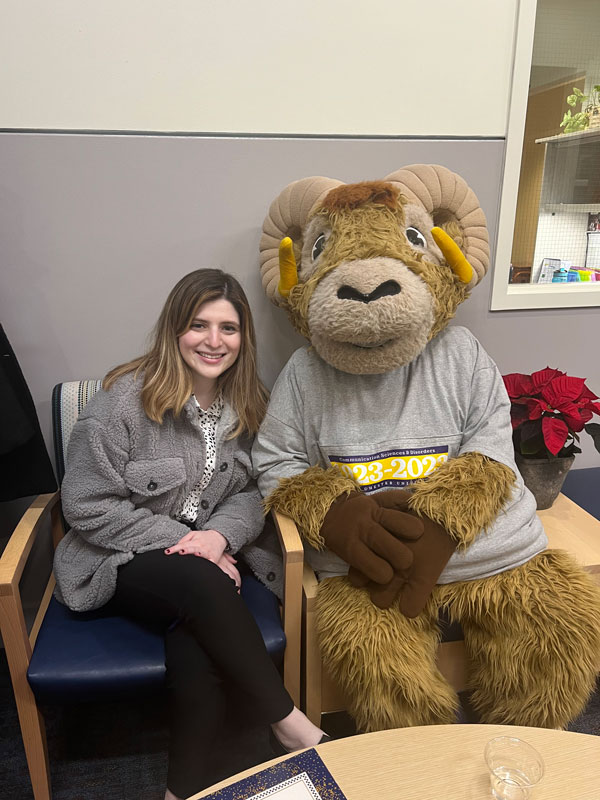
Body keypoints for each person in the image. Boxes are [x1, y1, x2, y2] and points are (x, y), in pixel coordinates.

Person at [53, 269, 327, 800]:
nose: (213, 341)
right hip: (120, 556)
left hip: (203, 568)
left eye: (228, 328)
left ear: (243, 337)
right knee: (205, 585)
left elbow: (255, 492)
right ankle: (288, 720)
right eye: (198, 325)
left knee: (196, 641)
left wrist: (218, 539)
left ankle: (181, 791)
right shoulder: (124, 400)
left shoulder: (250, 404)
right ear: (174, 330)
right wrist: (187, 545)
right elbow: (85, 504)